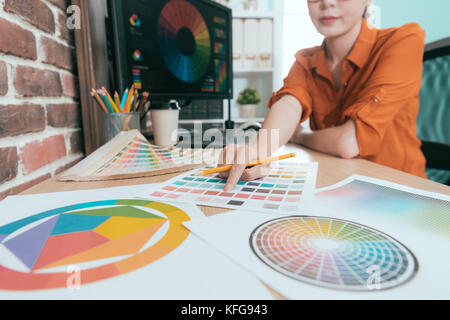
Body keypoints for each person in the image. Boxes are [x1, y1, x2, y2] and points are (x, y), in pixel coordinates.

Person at [220, 0, 427, 192]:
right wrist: (257, 151)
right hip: (339, 187)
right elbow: (289, 104)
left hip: (401, 190)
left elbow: (348, 143)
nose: (327, 2)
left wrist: (301, 136)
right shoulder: (306, 60)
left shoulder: (404, 40)